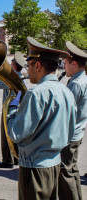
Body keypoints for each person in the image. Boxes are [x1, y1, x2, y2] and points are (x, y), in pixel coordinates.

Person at [6, 37, 77, 200]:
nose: (26, 70)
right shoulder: (67, 92)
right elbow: (70, 132)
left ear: (37, 65)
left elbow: (16, 133)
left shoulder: (36, 93)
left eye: (28, 65)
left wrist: (12, 109)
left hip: (34, 168)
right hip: (54, 164)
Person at [58, 41, 87, 200]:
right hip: (78, 131)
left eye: (65, 63)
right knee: (72, 169)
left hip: (70, 134)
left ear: (74, 64)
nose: (64, 66)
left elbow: (65, 110)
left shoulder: (75, 83)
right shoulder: (83, 79)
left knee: (66, 172)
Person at [0, 52, 26, 168]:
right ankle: (15, 159)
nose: (10, 64)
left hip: (8, 110)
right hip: (17, 109)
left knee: (6, 135)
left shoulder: (11, 78)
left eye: (12, 62)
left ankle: (8, 160)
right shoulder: (20, 77)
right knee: (14, 135)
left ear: (14, 65)